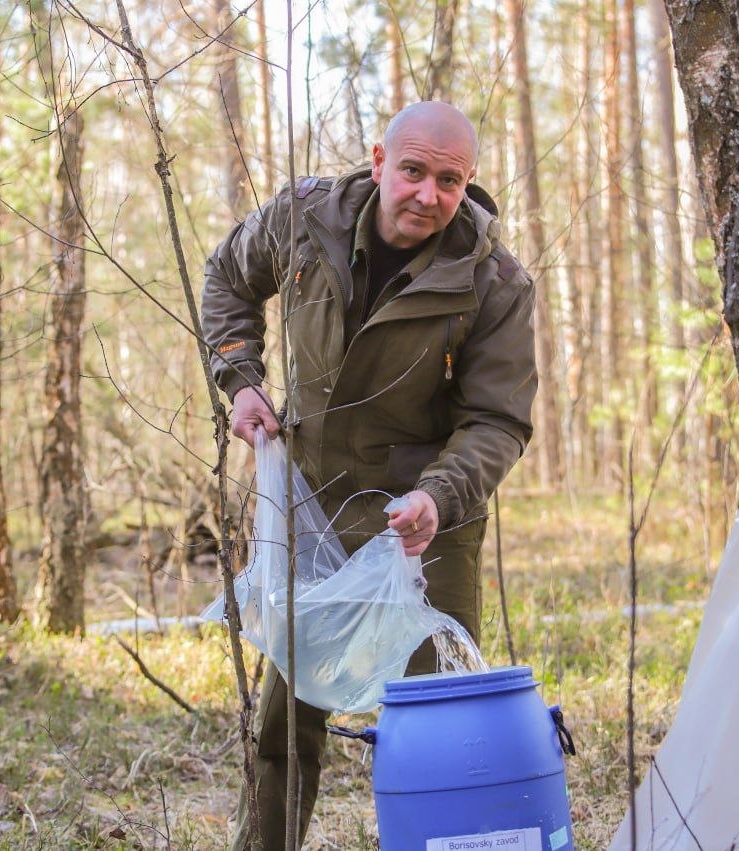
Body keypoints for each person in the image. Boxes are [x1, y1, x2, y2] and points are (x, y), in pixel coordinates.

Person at [201, 101, 538, 850]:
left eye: (449, 181)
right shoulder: (305, 218)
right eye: (413, 170)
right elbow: (227, 275)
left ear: (469, 183)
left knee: (443, 723)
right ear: (380, 160)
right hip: (313, 508)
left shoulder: (495, 282)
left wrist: (437, 498)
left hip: (425, 524)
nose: (427, 194)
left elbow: (498, 420)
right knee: (286, 724)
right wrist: (240, 376)